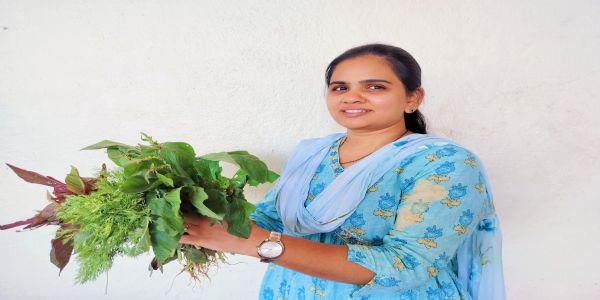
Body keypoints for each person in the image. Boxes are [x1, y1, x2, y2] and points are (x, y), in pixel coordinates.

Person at [180, 43, 505, 299]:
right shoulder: (313, 153)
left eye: (375, 87)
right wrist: (196, 209)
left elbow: (408, 264)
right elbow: (271, 220)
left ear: (412, 98)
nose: (353, 97)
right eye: (339, 88)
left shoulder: (444, 163)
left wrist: (254, 243)